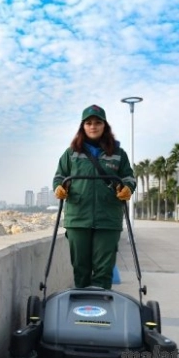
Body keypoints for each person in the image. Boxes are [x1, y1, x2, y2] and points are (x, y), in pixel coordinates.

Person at [52, 104, 136, 289]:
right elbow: (60, 176)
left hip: (108, 219)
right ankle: (81, 306)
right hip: (78, 218)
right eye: (88, 123)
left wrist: (128, 188)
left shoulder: (118, 154)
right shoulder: (71, 153)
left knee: (104, 269)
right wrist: (58, 187)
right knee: (80, 268)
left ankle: (102, 306)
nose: (93, 126)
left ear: (104, 126)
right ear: (83, 126)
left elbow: (128, 177)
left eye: (98, 122)